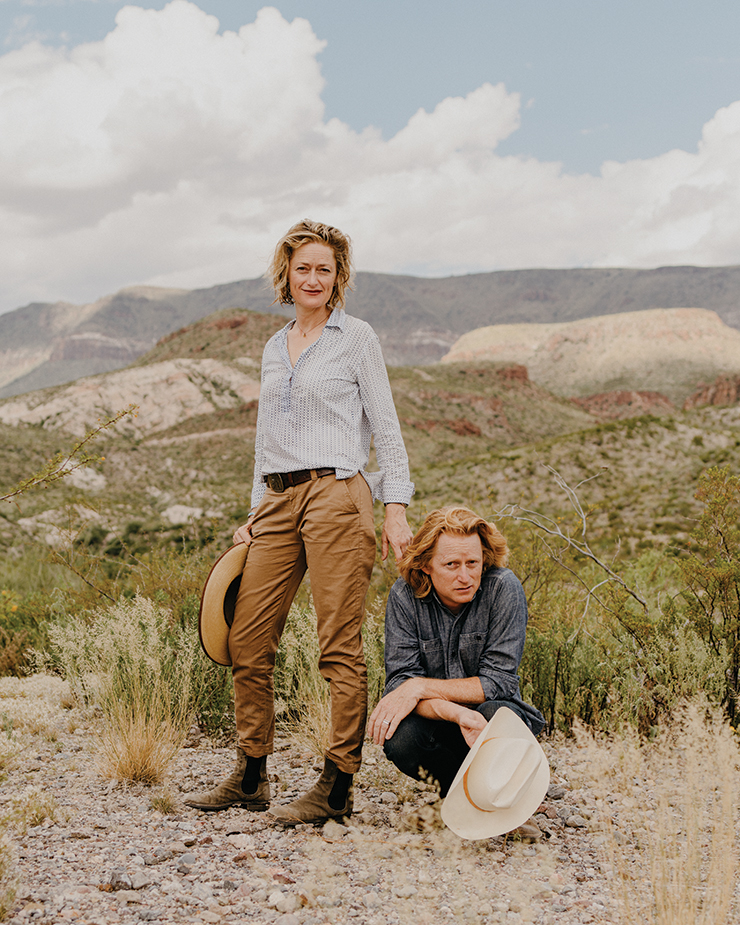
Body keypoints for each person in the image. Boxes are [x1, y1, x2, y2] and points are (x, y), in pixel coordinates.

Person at [185, 220, 414, 824]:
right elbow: (266, 438)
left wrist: (396, 507)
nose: (313, 278)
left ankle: (336, 785)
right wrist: (254, 509)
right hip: (278, 500)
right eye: (303, 267)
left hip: (338, 494)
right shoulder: (273, 344)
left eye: (325, 269)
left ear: (340, 278)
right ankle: (251, 774)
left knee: (337, 644)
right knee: (247, 638)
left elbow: (386, 427)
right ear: (285, 273)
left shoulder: (355, 338)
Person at [368, 506, 545, 798]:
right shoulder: (404, 596)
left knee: (495, 713)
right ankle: (462, 797)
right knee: (400, 737)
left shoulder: (503, 588)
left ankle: (507, 796)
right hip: (440, 721)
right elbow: (401, 686)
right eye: (451, 564)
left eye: (472, 563)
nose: (466, 576)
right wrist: (453, 712)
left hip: (492, 714)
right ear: (426, 564)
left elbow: (498, 682)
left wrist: (420, 686)